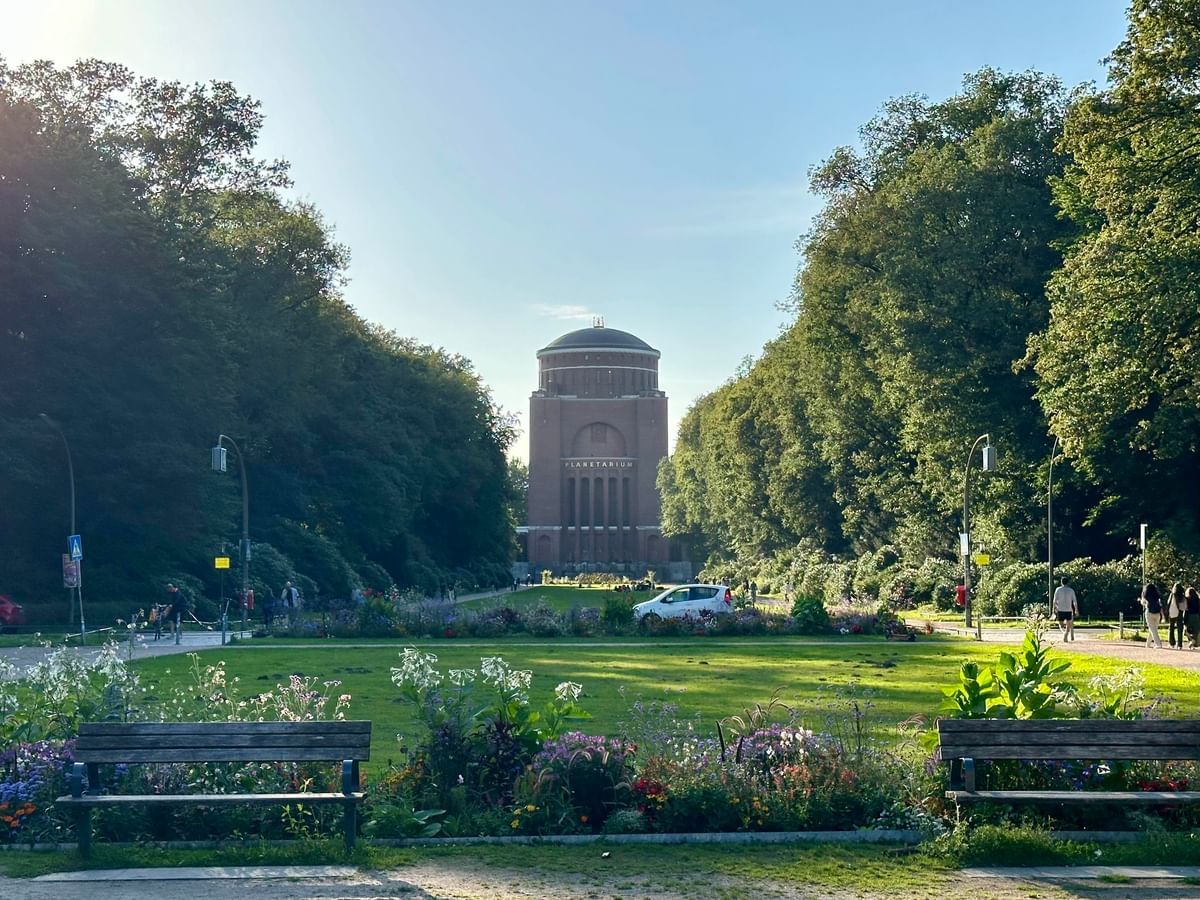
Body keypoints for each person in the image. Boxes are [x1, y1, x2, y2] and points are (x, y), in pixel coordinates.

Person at [1052, 576, 1079, 641]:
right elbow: (1074, 601)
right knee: (1068, 624)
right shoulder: (1071, 590)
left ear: (1061, 582)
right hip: (1068, 609)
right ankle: (1066, 634)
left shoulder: (1058, 589)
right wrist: (1076, 610)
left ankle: (1064, 634)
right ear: (1068, 582)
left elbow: (1054, 600)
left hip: (1060, 609)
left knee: (1061, 625)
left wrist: (1053, 609)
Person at [1141, 582, 1163, 649]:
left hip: (1149, 613)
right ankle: (1148, 644)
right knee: (1153, 629)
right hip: (1157, 613)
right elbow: (1160, 605)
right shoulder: (1157, 595)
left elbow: (1143, 602)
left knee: (1153, 630)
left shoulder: (1145, 595)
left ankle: (1158, 644)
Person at [1167, 582, 1186, 649]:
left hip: (1172, 612)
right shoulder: (1182, 596)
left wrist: (1167, 612)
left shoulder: (1172, 595)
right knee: (1180, 629)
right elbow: (1184, 605)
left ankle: (1172, 643)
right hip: (1180, 612)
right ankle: (1179, 645)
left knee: (1171, 628)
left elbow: (1168, 603)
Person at [1185, 585, 1200, 650]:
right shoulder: (1198, 599)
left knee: (1187, 631)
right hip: (1197, 616)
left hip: (1189, 616)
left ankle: (1191, 641)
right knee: (1196, 631)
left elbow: (1186, 609)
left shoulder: (1187, 599)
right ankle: (1194, 642)